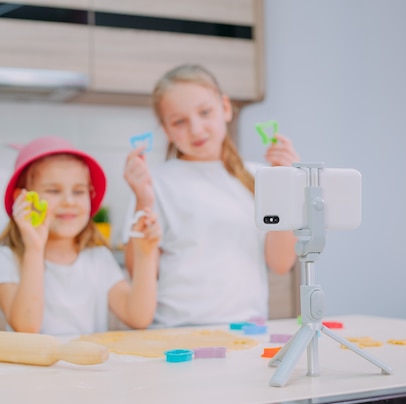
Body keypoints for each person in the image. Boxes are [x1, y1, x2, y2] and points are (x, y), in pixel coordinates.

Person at [122, 64, 299, 328]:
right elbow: (139, 273)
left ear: (225, 108)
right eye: (179, 121)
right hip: (176, 333)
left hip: (247, 330)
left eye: (205, 112)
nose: (196, 129)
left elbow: (281, 263)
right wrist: (142, 201)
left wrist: (284, 186)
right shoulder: (155, 183)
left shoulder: (262, 177)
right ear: (166, 131)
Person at [0, 136, 160, 335]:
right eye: (53, 190)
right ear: (22, 199)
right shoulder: (6, 259)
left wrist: (145, 255)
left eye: (78, 191)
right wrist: (34, 249)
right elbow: (26, 327)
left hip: (86, 366)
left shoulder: (98, 258)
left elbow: (138, 317)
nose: (69, 201)